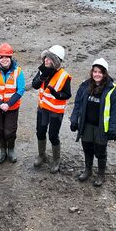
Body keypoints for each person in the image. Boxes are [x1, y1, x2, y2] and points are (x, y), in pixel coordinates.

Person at [70, 58, 116, 187]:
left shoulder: (112, 90)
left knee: (100, 151)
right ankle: (88, 170)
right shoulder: (85, 86)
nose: (97, 74)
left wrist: (113, 129)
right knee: (87, 147)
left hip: (101, 127)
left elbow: (115, 112)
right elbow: (77, 104)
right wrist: (74, 120)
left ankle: (101, 174)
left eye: (100, 72)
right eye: (95, 71)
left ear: (105, 74)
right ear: (92, 72)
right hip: (86, 125)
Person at [32, 45, 72, 173]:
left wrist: (57, 94)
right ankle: (42, 155)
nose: (46, 61)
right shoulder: (42, 70)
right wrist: (40, 78)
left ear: (56, 62)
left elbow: (67, 94)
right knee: (40, 132)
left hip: (55, 111)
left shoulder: (64, 76)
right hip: (42, 109)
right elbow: (34, 85)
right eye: (46, 58)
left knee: (53, 135)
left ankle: (56, 160)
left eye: (49, 59)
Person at [0, 43, 26, 164]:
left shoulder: (18, 72)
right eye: (1, 57)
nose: (4, 59)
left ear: (11, 58)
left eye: (6, 57)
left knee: (10, 131)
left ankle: (11, 149)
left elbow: (21, 89)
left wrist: (8, 104)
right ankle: (2, 151)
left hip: (12, 107)